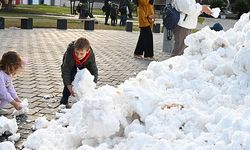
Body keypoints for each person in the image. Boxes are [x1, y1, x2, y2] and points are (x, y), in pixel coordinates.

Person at [60, 37, 98, 106]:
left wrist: (91, 85)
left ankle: (83, 99)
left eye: (81, 53)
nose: (78, 56)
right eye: (77, 52)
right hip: (71, 63)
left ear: (87, 51)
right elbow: (66, 71)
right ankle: (64, 99)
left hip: (84, 63)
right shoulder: (70, 52)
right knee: (72, 76)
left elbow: (94, 71)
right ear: (74, 49)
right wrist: (69, 86)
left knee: (85, 77)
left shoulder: (91, 56)